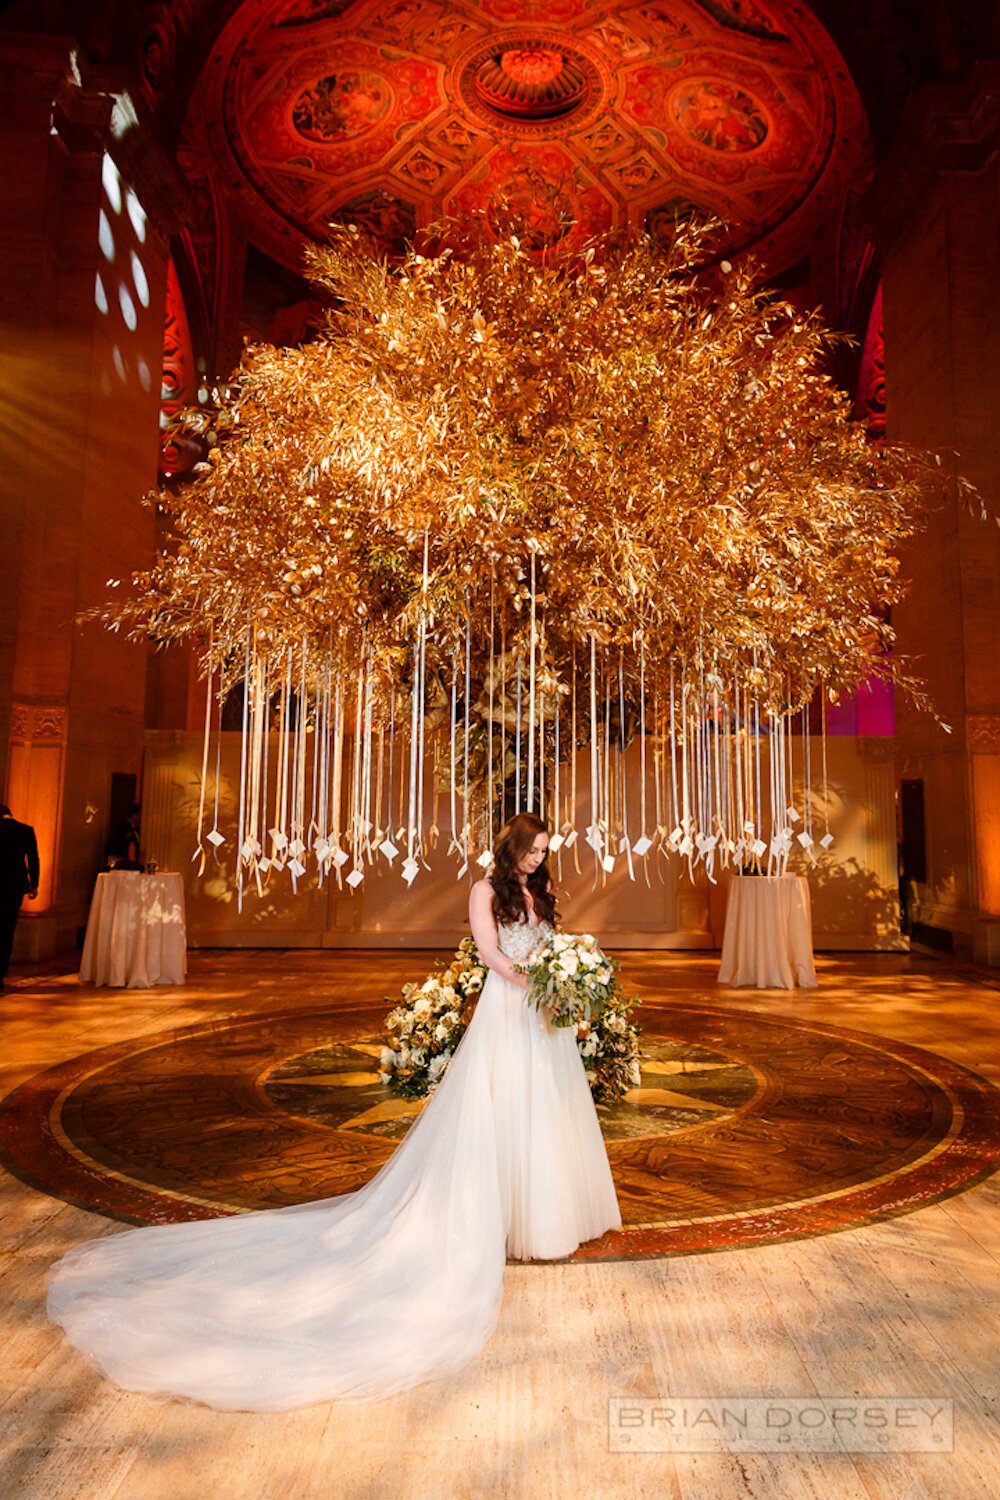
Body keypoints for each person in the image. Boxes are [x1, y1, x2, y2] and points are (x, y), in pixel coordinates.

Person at [46, 812, 621, 1411]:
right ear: (512, 848)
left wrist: (564, 978)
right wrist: (534, 981)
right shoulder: (485, 891)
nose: (537, 860)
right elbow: (488, 955)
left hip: (542, 1018)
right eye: (531, 852)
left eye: (544, 853)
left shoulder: (541, 892)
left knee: (545, 1112)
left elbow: (550, 947)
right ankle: (494, 1215)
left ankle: (546, 1215)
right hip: (507, 1012)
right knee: (501, 1111)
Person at [0, 804, 39, 988]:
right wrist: (34, 884)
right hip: (14, 886)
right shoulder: (25, 830)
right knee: (7, 930)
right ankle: (1, 973)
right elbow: (33, 858)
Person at [105, 803, 142, 870]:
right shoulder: (122, 828)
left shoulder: (137, 830)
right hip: (121, 864)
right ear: (134, 815)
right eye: (140, 814)